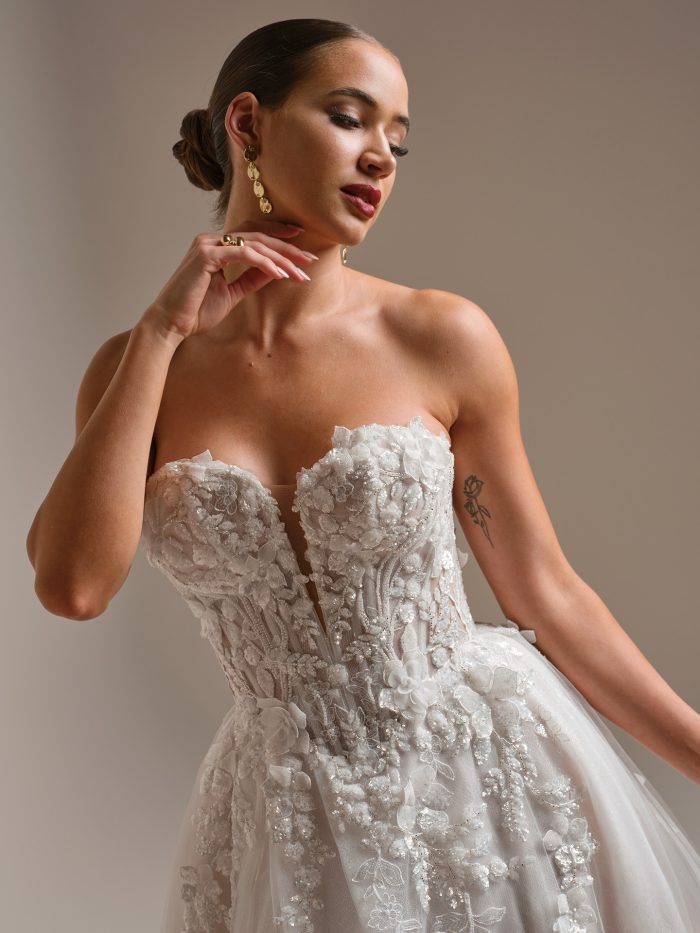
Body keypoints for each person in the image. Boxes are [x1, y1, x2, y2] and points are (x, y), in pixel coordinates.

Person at [26, 16, 700, 933]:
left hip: (482, 779)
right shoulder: (134, 372)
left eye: (398, 138)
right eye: (351, 118)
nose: (382, 156)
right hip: (286, 816)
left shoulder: (439, 337)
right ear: (248, 124)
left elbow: (545, 590)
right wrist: (158, 334)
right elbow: (72, 585)